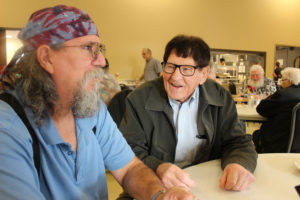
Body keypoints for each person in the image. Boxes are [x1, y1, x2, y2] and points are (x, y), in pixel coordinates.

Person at [0, 5, 195, 199]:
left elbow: (129, 169)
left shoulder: (91, 107)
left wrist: (160, 195)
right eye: (87, 48)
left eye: (99, 49)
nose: (101, 60)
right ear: (47, 58)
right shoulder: (7, 127)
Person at [120, 35, 257, 194]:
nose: (175, 77)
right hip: (152, 185)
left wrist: (237, 163)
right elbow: (126, 150)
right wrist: (157, 166)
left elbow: (237, 142)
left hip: (204, 185)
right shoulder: (138, 99)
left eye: (186, 69)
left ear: (203, 74)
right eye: (170, 66)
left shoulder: (220, 96)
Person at [253, 67, 300, 153]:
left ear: (289, 81)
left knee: (256, 134)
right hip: (296, 146)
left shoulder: (283, 94)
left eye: (282, 80)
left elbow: (261, 109)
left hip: (277, 142)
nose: (281, 84)